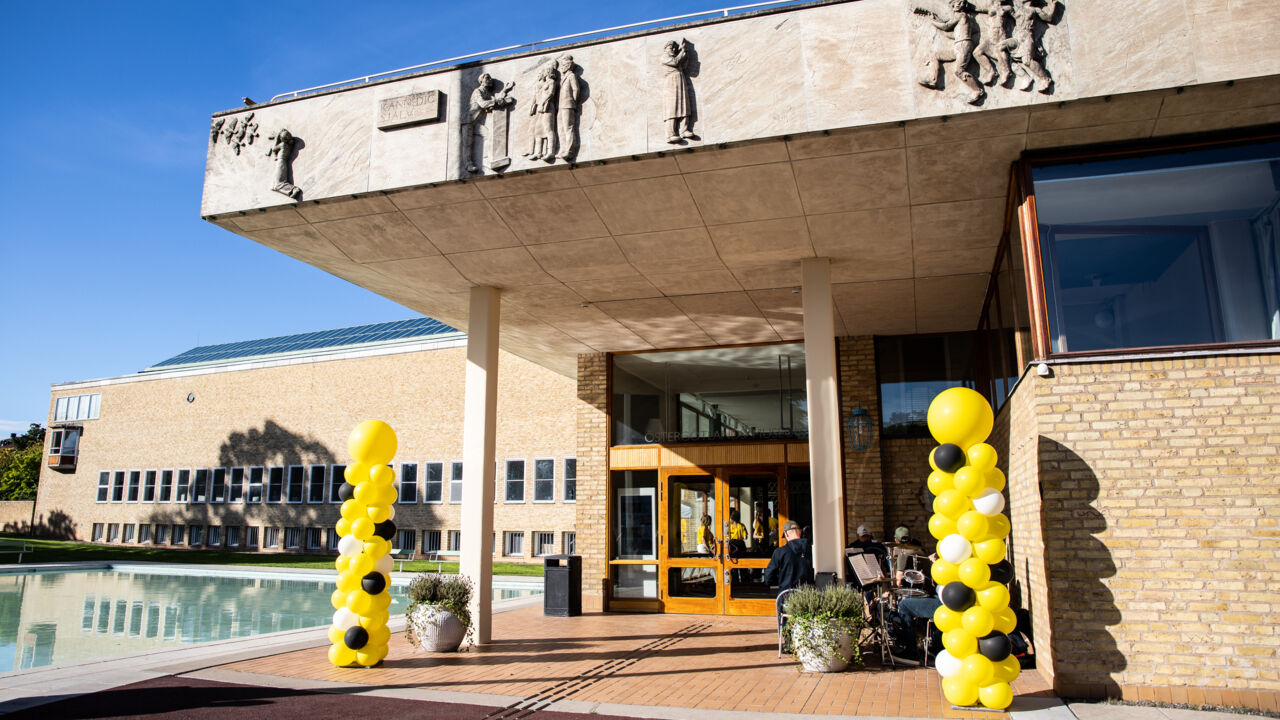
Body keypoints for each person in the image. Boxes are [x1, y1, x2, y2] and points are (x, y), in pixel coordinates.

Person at [763, 520, 813, 592]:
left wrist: (782, 580)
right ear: (800, 532)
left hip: (786, 595)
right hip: (807, 595)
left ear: (786, 534)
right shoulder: (811, 550)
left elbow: (768, 578)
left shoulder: (780, 552)